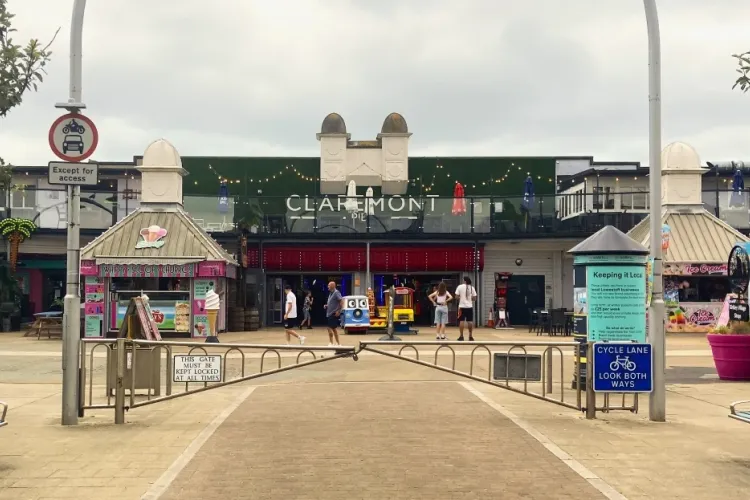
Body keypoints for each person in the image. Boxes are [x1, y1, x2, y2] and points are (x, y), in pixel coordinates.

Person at [455, 277, 477, 341]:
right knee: (470, 322)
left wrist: (460, 299)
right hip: (469, 307)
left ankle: (461, 336)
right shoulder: (472, 288)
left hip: (461, 307)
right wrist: (470, 299)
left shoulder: (459, 287)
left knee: (461, 321)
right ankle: (470, 336)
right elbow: (474, 298)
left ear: (464, 281)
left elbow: (456, 296)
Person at [324, 281, 344, 346]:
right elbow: (332, 302)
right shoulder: (330, 293)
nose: (328, 287)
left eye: (329, 285)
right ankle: (336, 343)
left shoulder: (336, 292)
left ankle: (333, 343)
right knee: (332, 328)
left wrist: (339, 311)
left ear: (332, 286)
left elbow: (341, 301)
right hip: (329, 313)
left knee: (330, 328)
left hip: (333, 313)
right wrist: (327, 305)